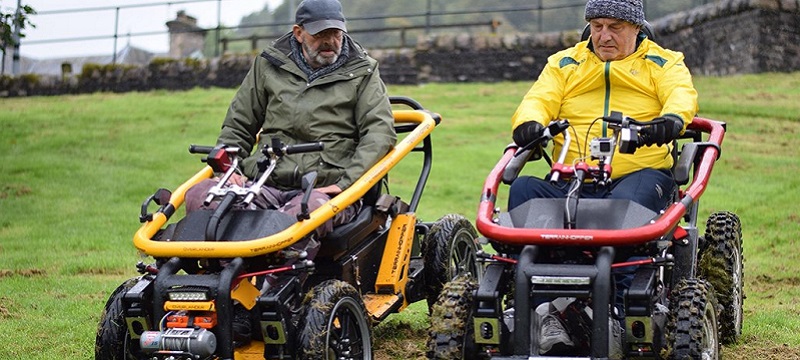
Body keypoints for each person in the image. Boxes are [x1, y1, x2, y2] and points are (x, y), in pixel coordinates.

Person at [183, 0, 397, 346]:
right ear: (298, 34)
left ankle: (276, 301)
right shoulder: (268, 64)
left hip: (329, 183)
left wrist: (345, 185)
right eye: (320, 34)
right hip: (267, 177)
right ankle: (233, 300)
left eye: (336, 33)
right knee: (203, 198)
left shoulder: (363, 70)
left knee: (299, 219)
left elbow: (380, 133)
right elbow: (239, 123)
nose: (330, 41)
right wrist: (231, 168)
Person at [507, 0, 698, 356]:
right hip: (574, 175)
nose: (603, 36)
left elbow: (680, 95)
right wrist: (528, 124)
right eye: (597, 26)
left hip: (640, 172)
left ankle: (616, 312)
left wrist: (669, 121)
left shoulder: (663, 62)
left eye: (615, 27)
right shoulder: (565, 63)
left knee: (624, 208)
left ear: (636, 27)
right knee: (524, 190)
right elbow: (538, 99)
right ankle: (547, 309)